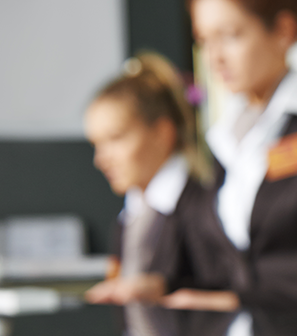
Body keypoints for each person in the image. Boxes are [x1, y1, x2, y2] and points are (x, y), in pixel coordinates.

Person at [145, 0, 297, 314]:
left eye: (230, 36)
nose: (214, 58)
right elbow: (224, 273)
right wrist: (159, 286)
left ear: (283, 31)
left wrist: (242, 302)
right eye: (204, 41)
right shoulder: (221, 145)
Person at [83, 52, 217, 305]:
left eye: (115, 138)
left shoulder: (205, 209)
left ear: (162, 133)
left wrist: (164, 289)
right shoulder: (131, 215)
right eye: (96, 144)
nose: (100, 160)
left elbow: (229, 285)